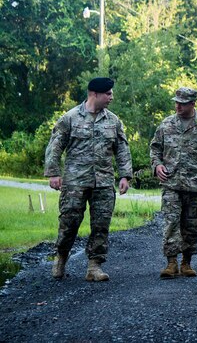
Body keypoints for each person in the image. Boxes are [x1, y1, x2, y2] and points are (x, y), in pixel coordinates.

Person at [44, 77, 133, 282]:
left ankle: (94, 267)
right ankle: (60, 259)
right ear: (94, 94)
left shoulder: (113, 121)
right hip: (75, 182)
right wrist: (54, 173)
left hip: (103, 182)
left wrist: (125, 176)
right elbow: (55, 146)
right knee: (69, 222)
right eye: (108, 93)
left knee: (101, 225)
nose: (112, 97)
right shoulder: (70, 118)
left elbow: (122, 149)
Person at [150, 87, 197, 279]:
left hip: (196, 184)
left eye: (182, 103)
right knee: (171, 223)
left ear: (193, 104)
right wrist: (157, 165)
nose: (178, 106)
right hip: (171, 183)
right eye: (176, 102)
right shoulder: (166, 125)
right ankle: (171, 262)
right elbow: (155, 149)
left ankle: (186, 262)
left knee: (191, 225)